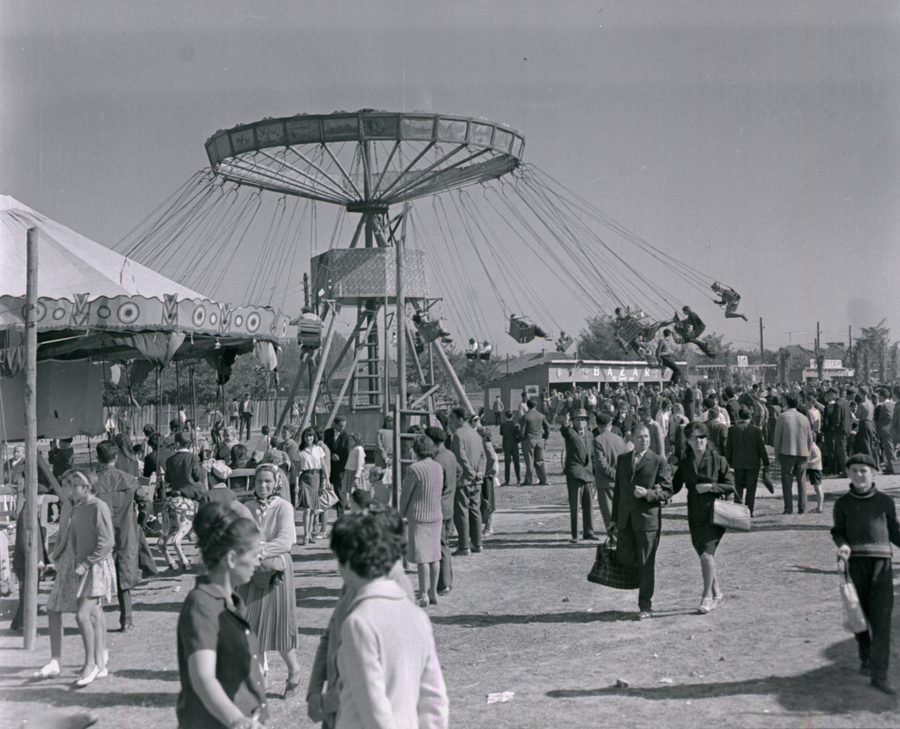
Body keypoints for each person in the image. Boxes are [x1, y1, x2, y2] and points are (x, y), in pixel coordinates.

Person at [328, 510, 449, 729]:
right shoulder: (416, 615)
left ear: (347, 562)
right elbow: (434, 699)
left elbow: (374, 707)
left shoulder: (359, 622)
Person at [177, 501, 267, 728]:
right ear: (232, 559)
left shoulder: (233, 601)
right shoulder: (202, 605)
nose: (259, 561)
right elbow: (203, 677)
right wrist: (237, 720)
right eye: (255, 554)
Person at [832, 453, 900, 695]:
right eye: (855, 470)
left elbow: (895, 532)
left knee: (881, 620)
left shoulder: (885, 502)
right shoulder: (842, 504)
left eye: (864, 470)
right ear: (848, 474)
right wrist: (842, 545)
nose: (859, 475)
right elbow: (838, 531)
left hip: (882, 566)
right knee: (858, 615)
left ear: (873, 473)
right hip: (856, 567)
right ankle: (866, 656)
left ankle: (880, 675)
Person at [236, 464, 302, 698]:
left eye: (268, 481)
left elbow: (285, 541)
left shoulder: (283, 507)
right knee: (250, 625)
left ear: (276, 483)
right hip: (251, 571)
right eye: (259, 481)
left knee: (279, 627)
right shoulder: (247, 507)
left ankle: (294, 671)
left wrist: (257, 550)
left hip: (277, 571)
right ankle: (260, 677)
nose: (263, 485)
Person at [611, 423, 673, 619]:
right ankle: (639, 583)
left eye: (647, 437)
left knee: (646, 563)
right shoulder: (623, 460)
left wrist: (648, 493)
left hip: (647, 521)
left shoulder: (658, 461)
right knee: (625, 557)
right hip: (625, 520)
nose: (644, 440)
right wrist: (613, 520)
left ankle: (645, 605)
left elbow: (667, 492)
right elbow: (618, 491)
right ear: (632, 438)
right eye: (640, 437)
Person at [672, 423, 735, 614]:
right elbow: (674, 486)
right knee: (704, 556)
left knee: (707, 555)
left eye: (702, 437)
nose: (699, 441)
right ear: (688, 441)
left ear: (707, 439)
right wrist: (656, 490)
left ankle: (706, 597)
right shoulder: (685, 463)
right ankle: (717, 593)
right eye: (694, 437)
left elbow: (730, 485)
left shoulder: (718, 460)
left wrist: (711, 487)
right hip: (694, 515)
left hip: (714, 514)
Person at [66, 468, 116, 686]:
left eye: (74, 485)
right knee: (94, 614)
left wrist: (86, 563)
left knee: (82, 616)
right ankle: (101, 664)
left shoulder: (98, 507)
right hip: (82, 567)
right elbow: (75, 539)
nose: (70, 488)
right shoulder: (77, 509)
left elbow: (107, 542)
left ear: (86, 487)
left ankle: (91, 664)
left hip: (96, 567)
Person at [94, 441, 149, 633]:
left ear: (98, 457)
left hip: (100, 532)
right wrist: (139, 522)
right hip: (126, 529)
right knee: (124, 572)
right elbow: (145, 503)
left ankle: (97, 619)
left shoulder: (92, 482)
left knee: (97, 574)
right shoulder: (129, 479)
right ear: (116, 457)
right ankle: (127, 619)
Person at [399, 436, 444, 607]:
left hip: (419, 517)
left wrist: (402, 512)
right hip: (436, 514)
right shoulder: (438, 467)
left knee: (422, 558)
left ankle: (423, 593)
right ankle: (433, 592)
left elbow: (406, 494)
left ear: (416, 450)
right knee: (434, 556)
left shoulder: (414, 469)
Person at [161, 432, 206, 570]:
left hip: (176, 494)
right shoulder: (193, 457)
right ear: (189, 444)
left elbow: (167, 479)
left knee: (171, 529)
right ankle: (197, 533)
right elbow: (197, 476)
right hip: (192, 493)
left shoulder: (170, 460)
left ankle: (191, 533)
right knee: (207, 507)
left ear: (177, 443)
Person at [449, 407, 486, 556]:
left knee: (462, 512)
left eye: (452, 418)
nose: (451, 421)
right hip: (477, 479)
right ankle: (478, 543)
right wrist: (479, 472)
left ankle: (464, 546)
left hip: (464, 479)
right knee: (475, 510)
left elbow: (461, 457)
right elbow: (483, 455)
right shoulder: (475, 433)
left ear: (460, 419)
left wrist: (471, 473)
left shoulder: (458, 435)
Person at [427, 427, 457, 597]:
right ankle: (447, 581)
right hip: (449, 504)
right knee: (445, 544)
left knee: (440, 546)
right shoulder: (450, 455)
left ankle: (443, 583)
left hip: (439, 507)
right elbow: (459, 473)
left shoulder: (437, 460)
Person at [772, 394, 815, 515]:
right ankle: (802, 507)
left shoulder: (782, 417)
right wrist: (809, 453)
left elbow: (777, 438)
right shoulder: (804, 418)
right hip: (802, 453)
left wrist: (776, 454)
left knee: (787, 481)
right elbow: (810, 438)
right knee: (802, 481)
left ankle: (788, 508)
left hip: (787, 452)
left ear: (787, 403)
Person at [560, 409, 597, 543]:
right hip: (575, 474)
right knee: (575, 506)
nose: (581, 422)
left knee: (589, 505)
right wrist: (565, 423)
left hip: (588, 474)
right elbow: (564, 431)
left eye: (583, 419)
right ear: (573, 421)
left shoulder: (590, 434)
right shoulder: (571, 433)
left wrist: (594, 472)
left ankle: (589, 532)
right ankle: (575, 535)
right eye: (578, 419)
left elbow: (592, 454)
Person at [725, 407, 770, 516]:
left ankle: (738, 511)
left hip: (737, 463)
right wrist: (766, 463)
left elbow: (728, 448)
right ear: (750, 417)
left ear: (738, 416)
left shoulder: (732, 430)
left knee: (738, 488)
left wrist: (727, 463)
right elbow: (761, 448)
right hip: (753, 463)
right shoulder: (756, 431)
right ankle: (749, 511)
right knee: (751, 489)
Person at [592, 412, 629, 534]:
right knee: (619, 513)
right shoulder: (619, 439)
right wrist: (619, 476)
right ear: (610, 424)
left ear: (598, 426)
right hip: (620, 482)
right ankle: (621, 537)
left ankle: (614, 539)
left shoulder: (598, 440)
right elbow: (626, 460)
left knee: (609, 515)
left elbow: (601, 464)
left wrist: (613, 475)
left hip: (605, 483)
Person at [297, 427, 327, 544]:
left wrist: (327, 480)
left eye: (311, 436)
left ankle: (309, 535)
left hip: (316, 478)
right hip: (304, 478)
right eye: (307, 436)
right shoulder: (300, 451)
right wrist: (296, 485)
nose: (309, 438)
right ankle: (305, 535)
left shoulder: (318, 449)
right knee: (307, 508)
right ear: (304, 438)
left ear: (314, 437)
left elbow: (323, 465)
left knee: (313, 509)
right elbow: (297, 469)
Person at [520, 399, 550, 486]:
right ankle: (543, 480)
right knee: (540, 460)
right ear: (535, 405)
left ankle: (528, 480)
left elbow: (522, 431)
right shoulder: (541, 415)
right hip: (539, 440)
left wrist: (521, 439)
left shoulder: (525, 416)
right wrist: (545, 437)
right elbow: (548, 427)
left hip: (529, 440)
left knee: (529, 461)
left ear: (527, 406)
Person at [341, 433, 367, 509]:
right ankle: (350, 504)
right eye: (349, 440)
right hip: (349, 471)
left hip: (355, 473)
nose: (349, 441)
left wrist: (357, 476)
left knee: (357, 491)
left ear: (356, 440)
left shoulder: (359, 449)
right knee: (347, 491)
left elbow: (360, 464)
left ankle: (360, 505)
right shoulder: (352, 449)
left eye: (351, 440)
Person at [874, 388, 895, 475]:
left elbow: (889, 417)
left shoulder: (886, 405)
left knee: (889, 450)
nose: (878, 398)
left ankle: (892, 468)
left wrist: (881, 424)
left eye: (879, 396)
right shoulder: (892, 403)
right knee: (888, 450)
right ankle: (890, 467)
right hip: (890, 430)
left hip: (887, 430)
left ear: (882, 396)